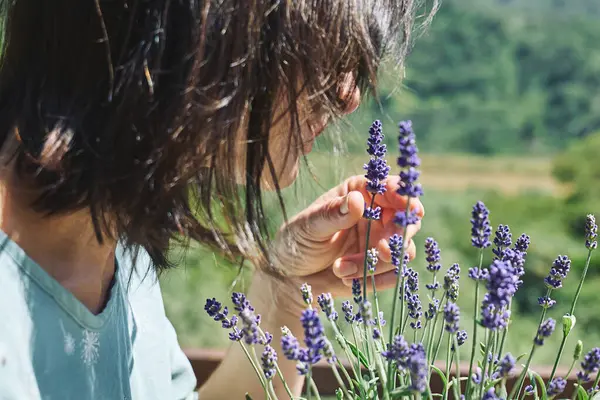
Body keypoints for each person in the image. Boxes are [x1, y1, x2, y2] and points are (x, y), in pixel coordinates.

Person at [0, 0, 428, 399]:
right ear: (213, 26)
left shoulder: (119, 242)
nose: (348, 97)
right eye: (330, 57)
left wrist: (286, 296)